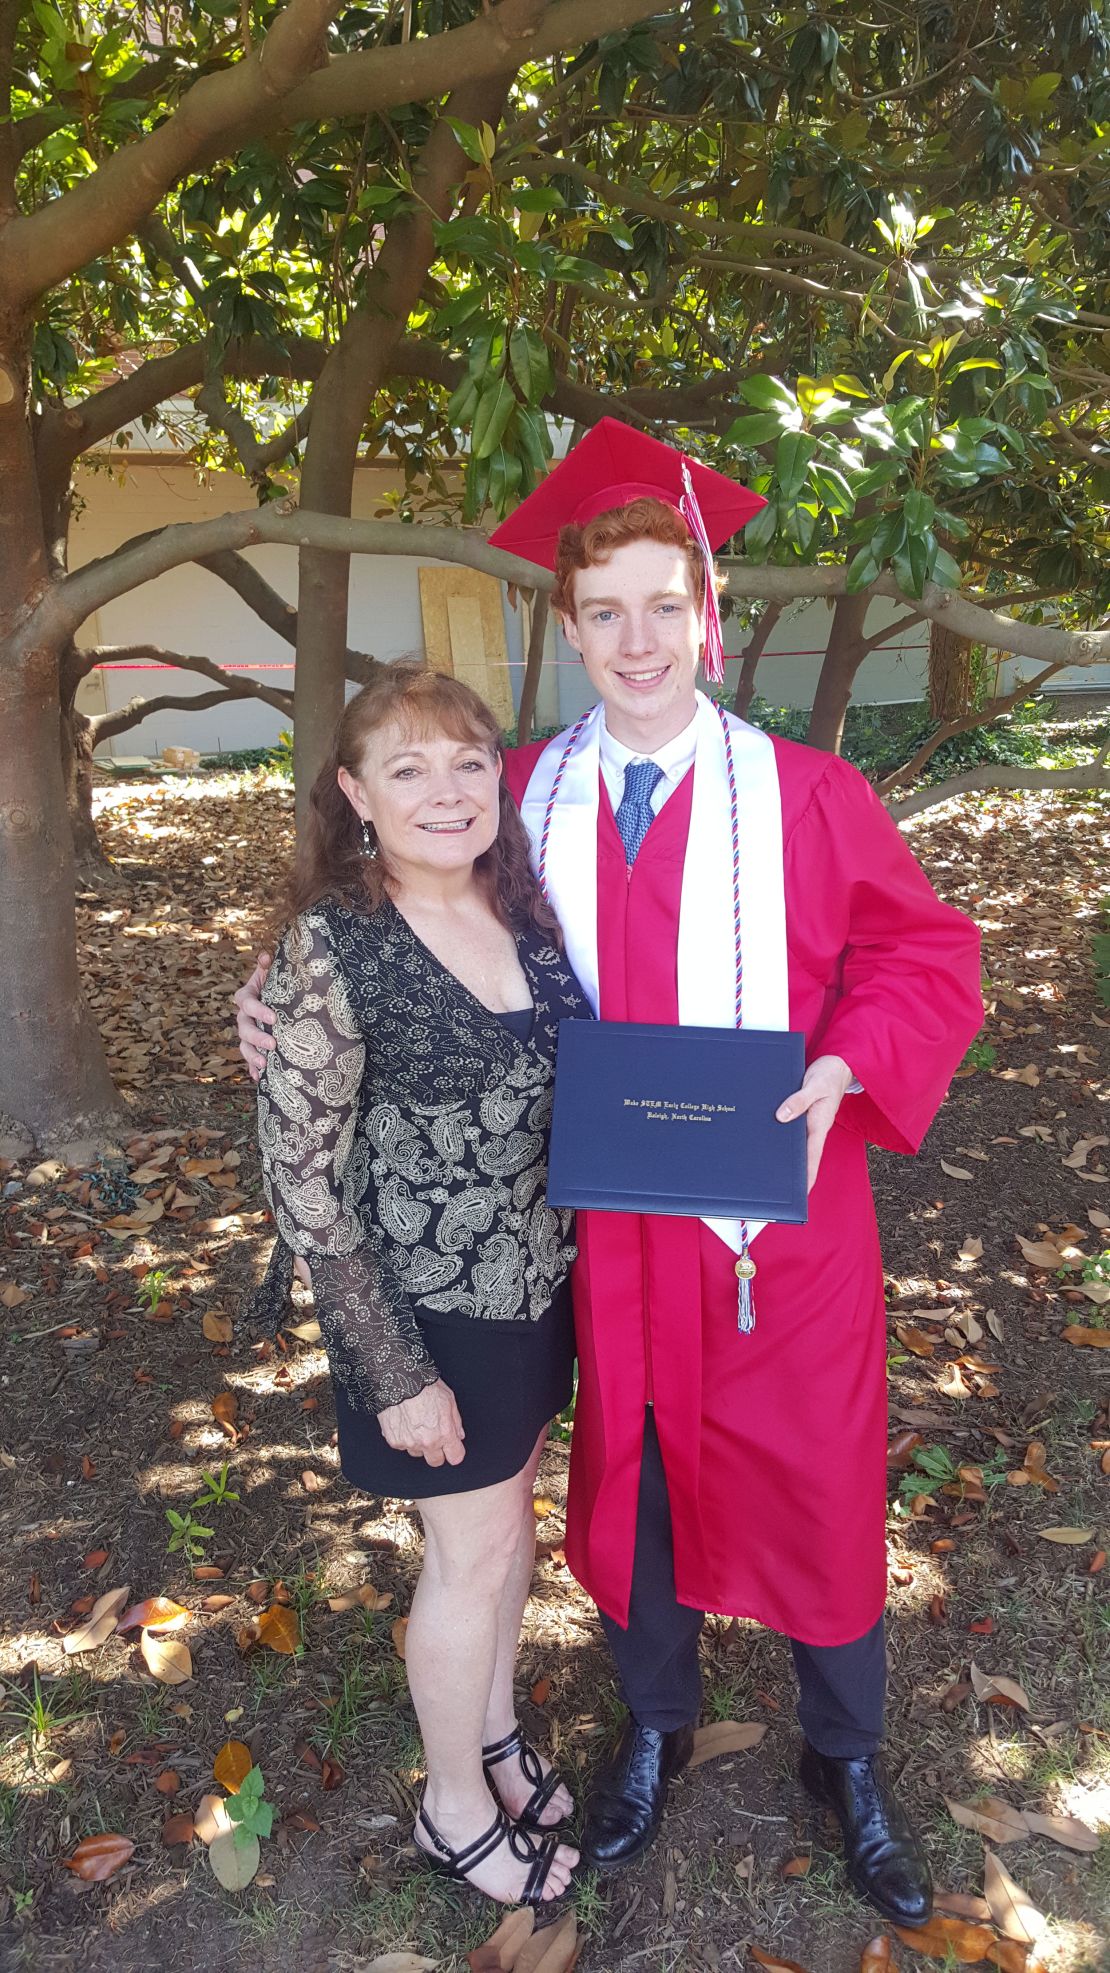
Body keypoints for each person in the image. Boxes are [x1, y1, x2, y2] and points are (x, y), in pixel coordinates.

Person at [238, 420, 983, 1929]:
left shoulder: (804, 795)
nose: (636, 639)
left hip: (777, 1215)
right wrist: (270, 989)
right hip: (606, 1235)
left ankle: (843, 1755)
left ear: (704, 615)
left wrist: (850, 1059)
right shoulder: (519, 788)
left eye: (664, 604)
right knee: (636, 1483)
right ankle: (651, 1723)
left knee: (821, 1480)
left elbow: (923, 949)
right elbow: (387, 893)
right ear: (565, 626)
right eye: (603, 611)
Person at [249, 662, 587, 1906]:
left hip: (539, 1287)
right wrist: (391, 1369)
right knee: (469, 1553)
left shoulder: (529, 908)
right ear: (354, 793)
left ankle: (491, 1737)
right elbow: (302, 1181)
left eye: (466, 761)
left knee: (509, 1536)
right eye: (407, 767)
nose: (445, 790)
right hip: (428, 1312)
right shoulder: (334, 948)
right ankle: (454, 1808)